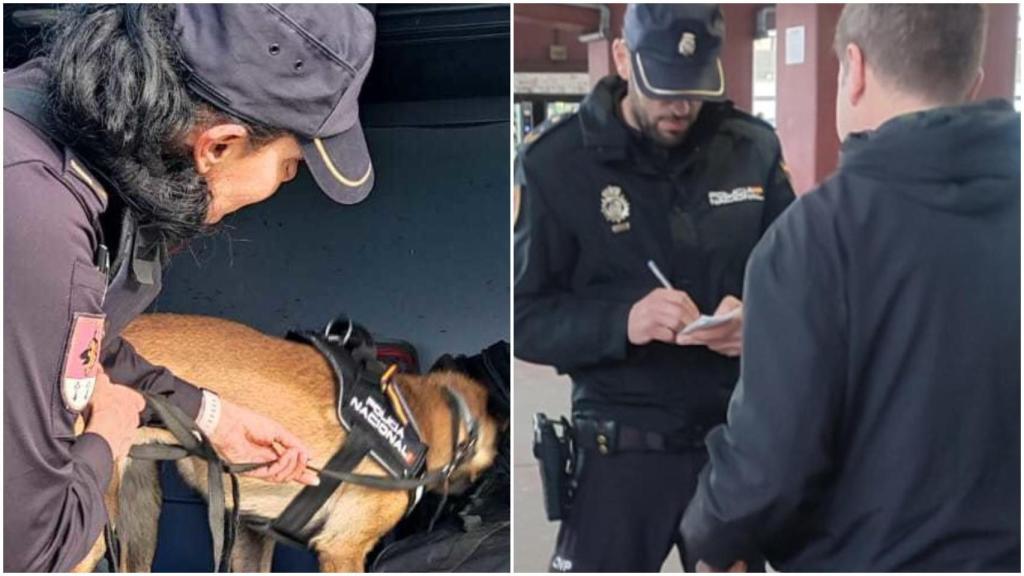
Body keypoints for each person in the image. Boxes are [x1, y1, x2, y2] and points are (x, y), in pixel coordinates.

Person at [3, 4, 377, 571]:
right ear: (218, 147)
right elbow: (31, 550)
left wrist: (213, 417)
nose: (282, 184)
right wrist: (109, 430)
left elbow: (84, 347)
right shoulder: (36, 214)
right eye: (289, 167)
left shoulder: (46, 128)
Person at [680, 4, 1020, 571]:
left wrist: (708, 537)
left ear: (853, 69)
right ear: (973, 83)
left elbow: (769, 467)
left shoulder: (814, 240)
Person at [514, 4, 795, 571]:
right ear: (623, 58)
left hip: (733, 449)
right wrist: (623, 322)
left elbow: (801, 284)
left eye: (693, 89)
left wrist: (759, 320)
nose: (680, 106)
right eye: (664, 86)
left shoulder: (753, 148)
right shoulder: (555, 165)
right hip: (619, 456)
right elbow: (525, 319)